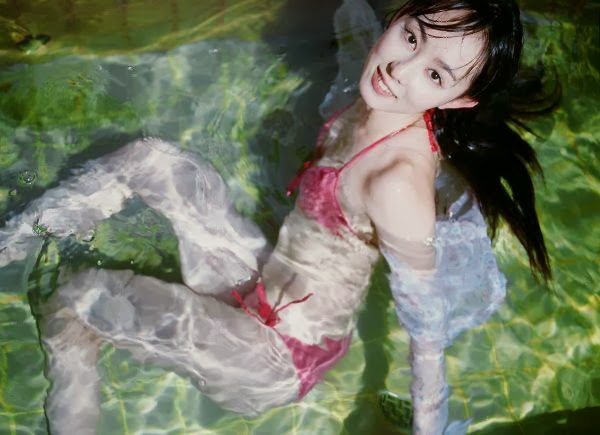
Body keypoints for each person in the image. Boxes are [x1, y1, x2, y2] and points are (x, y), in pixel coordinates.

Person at [0, 0, 553, 434]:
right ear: (400, 15)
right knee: (152, 160)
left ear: (458, 101)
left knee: (73, 300)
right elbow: (354, 22)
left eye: (435, 75)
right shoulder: (374, 93)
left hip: (275, 360)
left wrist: (429, 427)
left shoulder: (396, 185)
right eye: (411, 36)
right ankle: (12, 240)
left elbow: (427, 336)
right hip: (261, 284)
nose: (398, 69)